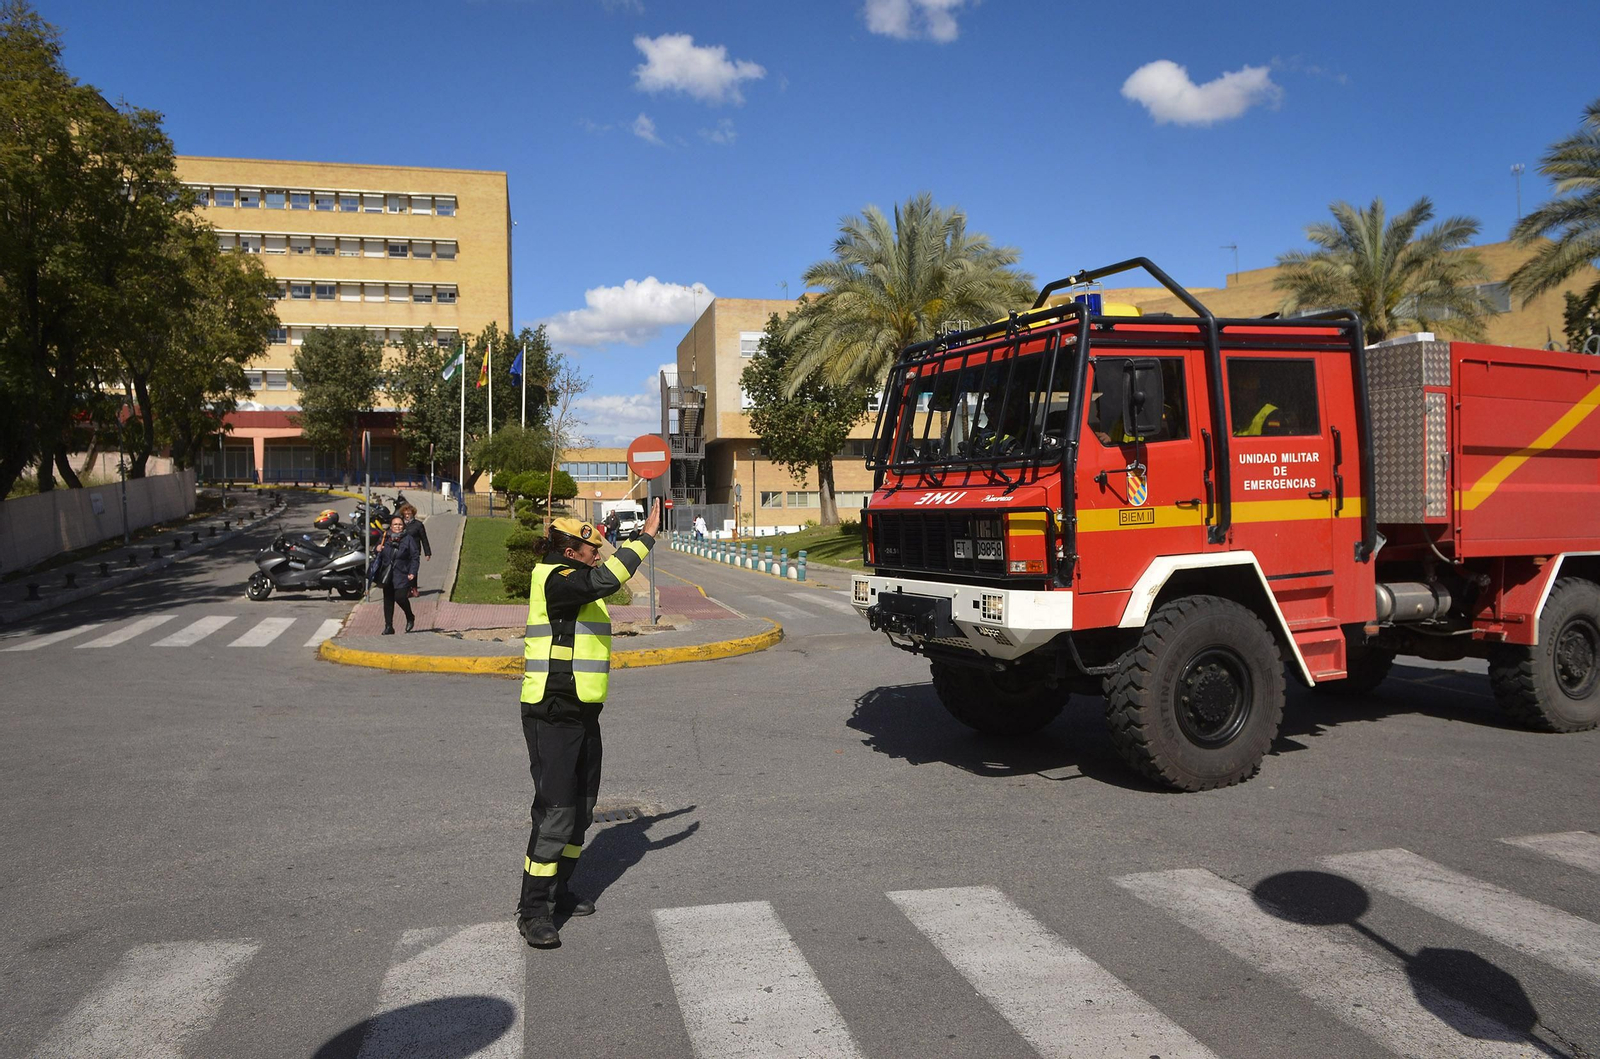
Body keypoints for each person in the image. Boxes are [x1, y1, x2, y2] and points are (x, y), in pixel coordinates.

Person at [516, 498, 662, 948]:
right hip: (552, 711)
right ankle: (533, 910)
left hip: (582, 711)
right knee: (556, 812)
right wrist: (646, 538)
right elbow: (606, 579)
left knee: (581, 808)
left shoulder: (573, 581)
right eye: (591, 548)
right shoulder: (555, 579)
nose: (597, 553)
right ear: (569, 552)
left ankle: (560, 891)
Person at [369, 515, 420, 634]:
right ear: (391, 526)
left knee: (400, 597)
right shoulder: (385, 537)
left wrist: (412, 572)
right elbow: (377, 551)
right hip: (387, 573)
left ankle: (410, 616)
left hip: (402, 573)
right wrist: (377, 548)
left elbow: (415, 557)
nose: (398, 527)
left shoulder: (408, 539)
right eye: (395, 524)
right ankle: (389, 626)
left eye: (400, 524)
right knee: (388, 600)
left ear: (403, 526)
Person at [398, 503, 431, 589]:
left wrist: (427, 553)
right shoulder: (400, 524)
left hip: (414, 551)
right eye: (405, 514)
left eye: (409, 514)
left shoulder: (418, 525)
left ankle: (414, 588)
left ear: (413, 514)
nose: (407, 516)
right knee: (404, 570)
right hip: (403, 551)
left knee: (413, 569)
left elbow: (424, 539)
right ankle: (406, 588)